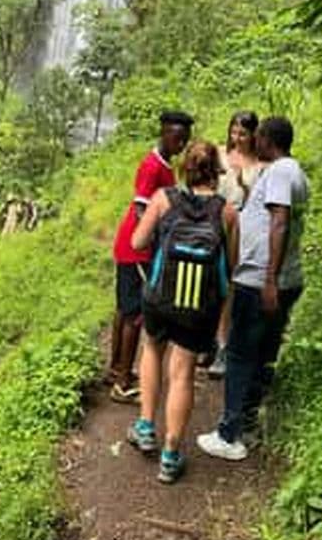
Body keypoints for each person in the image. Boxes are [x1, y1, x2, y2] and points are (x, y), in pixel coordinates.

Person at [127, 141, 239, 483]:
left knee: (152, 350)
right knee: (182, 373)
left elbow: (137, 243)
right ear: (216, 172)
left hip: (160, 299)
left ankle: (146, 427)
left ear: (185, 170)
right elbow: (230, 268)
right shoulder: (227, 212)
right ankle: (171, 454)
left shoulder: (163, 199)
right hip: (197, 307)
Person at [198, 116, 309, 461]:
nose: (254, 143)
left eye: (257, 136)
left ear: (266, 139)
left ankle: (229, 433)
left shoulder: (278, 172)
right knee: (262, 354)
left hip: (261, 279)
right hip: (277, 278)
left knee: (242, 353)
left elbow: (279, 222)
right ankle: (246, 423)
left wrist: (269, 280)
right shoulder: (296, 172)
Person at [107, 110, 194, 403]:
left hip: (128, 246)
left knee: (123, 310)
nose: (180, 144)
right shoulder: (152, 166)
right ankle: (122, 382)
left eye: (185, 140)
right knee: (135, 316)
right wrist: (159, 240)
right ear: (163, 133)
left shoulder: (163, 164)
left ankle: (116, 368)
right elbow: (142, 208)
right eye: (176, 137)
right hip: (137, 249)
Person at [208, 111, 264, 379]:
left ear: (254, 135)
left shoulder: (260, 165)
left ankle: (223, 344)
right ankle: (204, 339)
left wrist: (244, 185)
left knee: (230, 283)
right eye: (234, 132)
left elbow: (261, 202)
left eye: (243, 134)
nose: (237, 138)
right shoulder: (218, 155)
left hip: (243, 227)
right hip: (212, 222)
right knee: (207, 280)